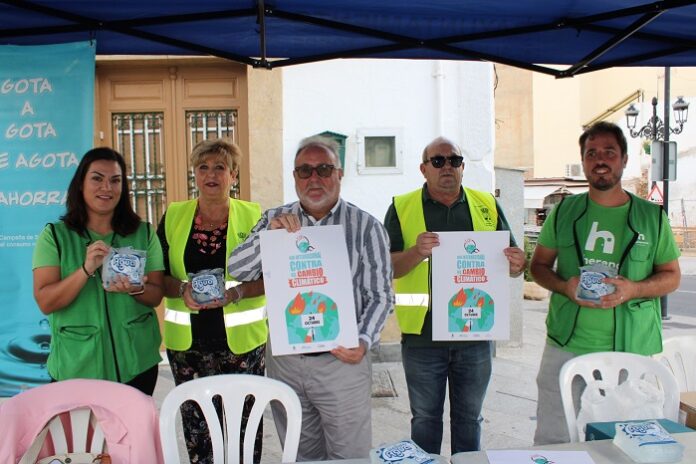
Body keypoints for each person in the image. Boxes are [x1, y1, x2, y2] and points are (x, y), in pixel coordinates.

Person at [229, 135, 394, 461]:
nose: (314, 178)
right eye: (305, 171)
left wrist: (362, 341)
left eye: (323, 169)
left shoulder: (366, 227)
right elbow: (237, 269)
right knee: (301, 455)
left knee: (350, 457)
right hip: (287, 363)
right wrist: (268, 237)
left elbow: (381, 296)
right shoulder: (274, 220)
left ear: (339, 174)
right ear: (294, 177)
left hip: (342, 364)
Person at [531, 121, 681, 445]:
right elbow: (539, 266)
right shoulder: (563, 212)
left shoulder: (651, 217)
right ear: (583, 161)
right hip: (565, 346)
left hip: (633, 351)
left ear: (624, 159)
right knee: (554, 439)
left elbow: (672, 276)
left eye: (609, 152)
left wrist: (635, 289)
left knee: (626, 444)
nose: (600, 159)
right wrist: (564, 287)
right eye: (591, 153)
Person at [383, 136, 526, 454]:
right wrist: (416, 252)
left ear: (463, 167)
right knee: (424, 420)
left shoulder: (486, 204)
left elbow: (513, 260)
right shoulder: (402, 207)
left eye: (454, 160)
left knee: (469, 421)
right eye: (438, 161)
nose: (447, 166)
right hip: (423, 339)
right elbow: (389, 268)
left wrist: (518, 263)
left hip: (476, 338)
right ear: (424, 168)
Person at [156, 138, 267, 463]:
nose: (211, 174)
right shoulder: (175, 216)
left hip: (242, 346)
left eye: (220, 167)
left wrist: (237, 293)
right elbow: (157, 275)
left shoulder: (254, 215)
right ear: (194, 173)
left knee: (245, 431)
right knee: (199, 432)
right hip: (188, 348)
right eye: (203, 167)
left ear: (233, 175)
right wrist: (180, 289)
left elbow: (272, 277)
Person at [32, 147, 164, 395]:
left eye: (115, 180)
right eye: (97, 178)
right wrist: (85, 269)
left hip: (137, 364)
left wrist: (137, 289)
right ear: (80, 184)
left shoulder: (144, 233)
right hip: (75, 366)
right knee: (81, 436)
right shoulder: (54, 237)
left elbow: (156, 295)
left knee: (131, 434)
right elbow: (46, 301)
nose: (107, 187)